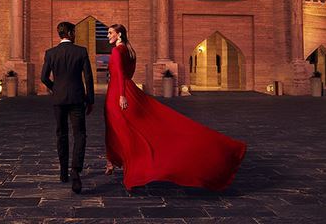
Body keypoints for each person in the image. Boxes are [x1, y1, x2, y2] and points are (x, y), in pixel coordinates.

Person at [104, 24, 246, 191]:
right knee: (129, 127)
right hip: (128, 90)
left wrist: (121, 94)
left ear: (119, 34)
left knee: (121, 129)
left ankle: (131, 166)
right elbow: (129, 72)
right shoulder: (129, 50)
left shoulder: (116, 51)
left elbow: (119, 74)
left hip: (117, 94)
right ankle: (113, 161)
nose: (108, 36)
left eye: (110, 33)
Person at [41, 21, 95, 194]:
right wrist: (90, 99)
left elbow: (43, 77)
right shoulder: (81, 51)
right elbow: (88, 77)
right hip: (77, 99)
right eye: (75, 32)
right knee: (79, 134)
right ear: (70, 33)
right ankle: (75, 171)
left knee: (61, 134)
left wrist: (55, 87)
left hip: (59, 99)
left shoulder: (50, 53)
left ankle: (63, 172)